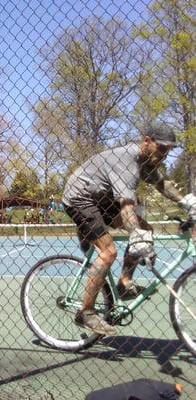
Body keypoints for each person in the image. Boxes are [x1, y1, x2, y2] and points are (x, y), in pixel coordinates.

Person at [62, 123, 196, 335]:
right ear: (146, 141)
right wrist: (136, 236)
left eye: (168, 150)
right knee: (108, 253)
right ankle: (85, 312)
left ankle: (124, 282)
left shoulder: (147, 162)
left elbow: (162, 185)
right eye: (161, 148)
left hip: (102, 198)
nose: (164, 154)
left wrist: (187, 202)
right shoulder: (127, 161)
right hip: (80, 197)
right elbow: (126, 207)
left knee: (147, 228)